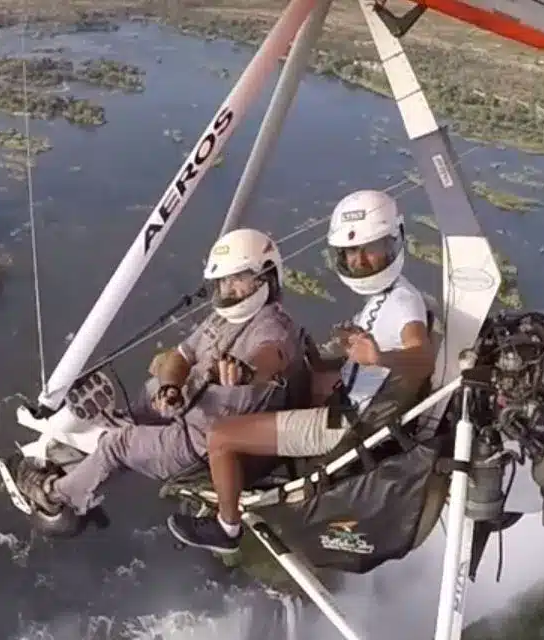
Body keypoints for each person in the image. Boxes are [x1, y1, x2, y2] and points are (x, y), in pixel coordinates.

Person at [166, 189, 437, 554]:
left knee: (220, 436)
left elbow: (422, 358)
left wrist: (379, 357)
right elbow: (370, 364)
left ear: (394, 241)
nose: (359, 261)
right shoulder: (387, 297)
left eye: (370, 248)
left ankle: (227, 529)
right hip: (346, 403)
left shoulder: (404, 303)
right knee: (293, 382)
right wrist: (327, 359)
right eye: (351, 252)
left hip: (342, 423)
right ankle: (250, 461)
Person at [8, 227, 305, 522]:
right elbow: (181, 356)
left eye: (238, 278)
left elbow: (271, 356)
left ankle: (54, 496)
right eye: (224, 280)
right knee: (152, 389)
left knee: (117, 444)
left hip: (200, 444)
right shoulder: (223, 318)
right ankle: (102, 459)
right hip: (185, 410)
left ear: (265, 277)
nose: (228, 288)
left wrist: (246, 371)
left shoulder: (272, 326)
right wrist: (170, 388)